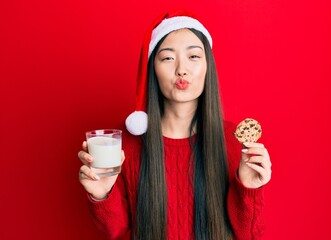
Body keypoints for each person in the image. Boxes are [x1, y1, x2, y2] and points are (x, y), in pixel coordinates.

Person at [78, 10, 272, 240]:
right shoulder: (123, 145)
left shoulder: (234, 142)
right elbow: (117, 231)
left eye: (194, 57)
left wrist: (248, 189)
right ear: (153, 70)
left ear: (208, 67)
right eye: (168, 58)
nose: (182, 69)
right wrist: (102, 195)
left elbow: (249, 235)